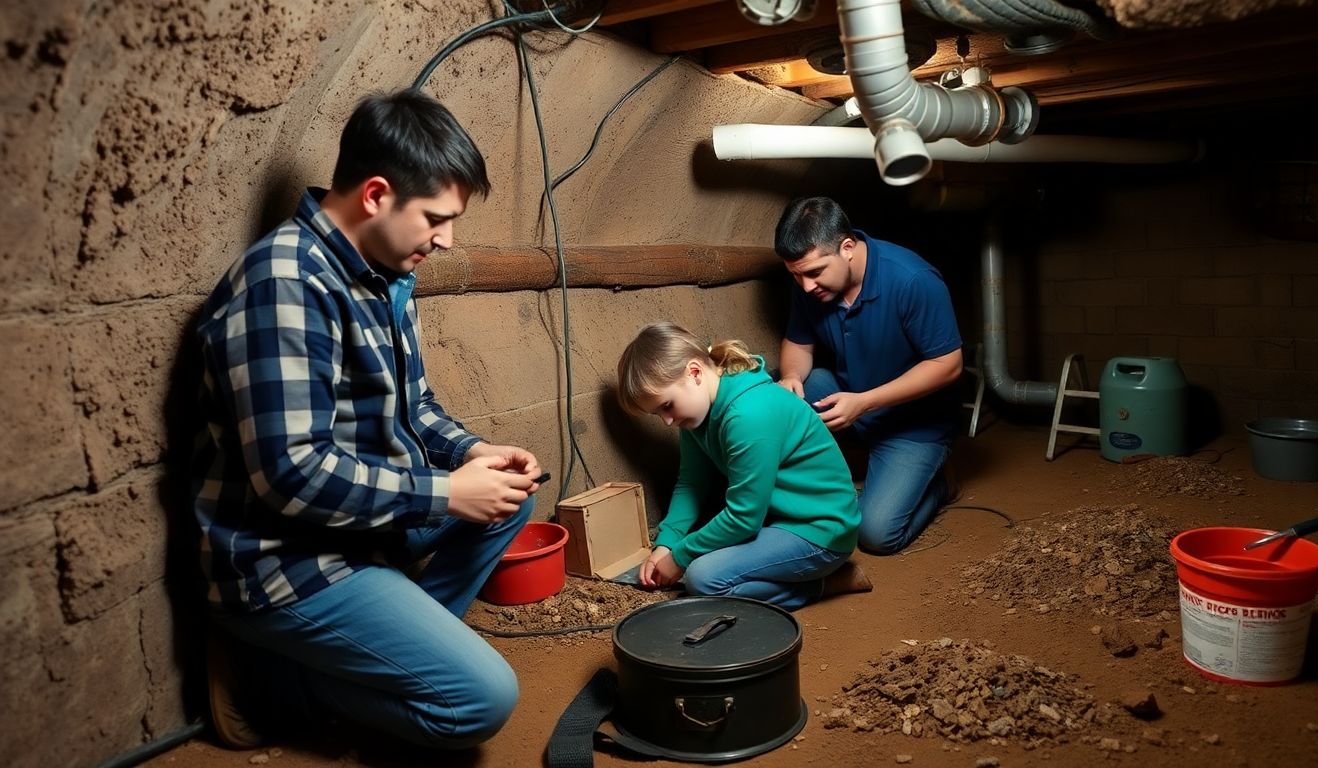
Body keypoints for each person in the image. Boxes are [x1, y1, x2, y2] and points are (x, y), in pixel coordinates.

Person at [191, 89, 543, 751]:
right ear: (377, 194)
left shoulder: (383, 274)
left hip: (361, 532)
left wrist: (474, 455)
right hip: (283, 560)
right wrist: (445, 493)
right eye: (436, 218)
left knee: (509, 498)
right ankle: (279, 680)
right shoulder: (285, 282)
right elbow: (290, 476)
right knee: (480, 701)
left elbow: (416, 409)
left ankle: (382, 654)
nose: (447, 239)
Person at [615, 322, 871, 611]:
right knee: (701, 558)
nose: (667, 421)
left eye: (667, 406)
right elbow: (691, 483)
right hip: (778, 519)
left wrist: (680, 556)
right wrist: (667, 544)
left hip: (820, 529)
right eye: (657, 414)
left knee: (702, 579)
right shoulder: (696, 414)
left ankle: (820, 585)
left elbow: (744, 517)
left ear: (695, 373)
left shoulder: (748, 415)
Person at [774, 196, 963, 555]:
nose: (805, 286)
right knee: (794, 389)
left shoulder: (912, 279)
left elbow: (948, 365)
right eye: (795, 275)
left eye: (814, 272)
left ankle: (939, 484)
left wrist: (864, 403)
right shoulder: (809, 283)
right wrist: (790, 377)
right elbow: (798, 344)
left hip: (914, 423)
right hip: (853, 397)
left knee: (876, 535)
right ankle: (822, 487)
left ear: (847, 248)